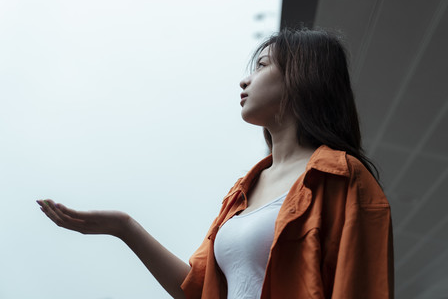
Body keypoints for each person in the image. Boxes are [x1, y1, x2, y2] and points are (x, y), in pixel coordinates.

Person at [37, 28, 394, 299]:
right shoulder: (241, 193)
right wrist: (124, 227)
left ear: (303, 77)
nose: (245, 79)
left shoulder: (343, 179)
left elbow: (362, 288)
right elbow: (195, 289)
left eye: (263, 65)